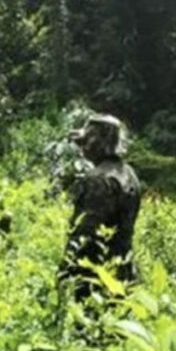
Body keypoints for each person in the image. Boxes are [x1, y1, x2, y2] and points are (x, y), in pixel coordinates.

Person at [61, 113, 142, 301]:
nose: (82, 146)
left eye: (87, 139)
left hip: (95, 276)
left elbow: (85, 234)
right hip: (125, 269)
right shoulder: (129, 174)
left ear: (101, 142)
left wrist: (66, 271)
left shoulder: (97, 179)